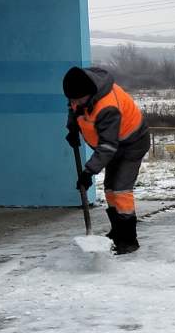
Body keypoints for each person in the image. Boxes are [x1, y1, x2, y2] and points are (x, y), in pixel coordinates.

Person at [64, 65, 151, 255]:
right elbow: (74, 110)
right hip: (113, 145)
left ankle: (129, 240)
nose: (75, 103)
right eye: (72, 100)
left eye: (79, 99)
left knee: (121, 189)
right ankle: (117, 231)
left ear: (90, 94)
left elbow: (107, 146)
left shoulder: (107, 107)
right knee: (110, 187)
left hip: (132, 143)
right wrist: (72, 128)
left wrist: (88, 172)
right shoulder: (80, 93)